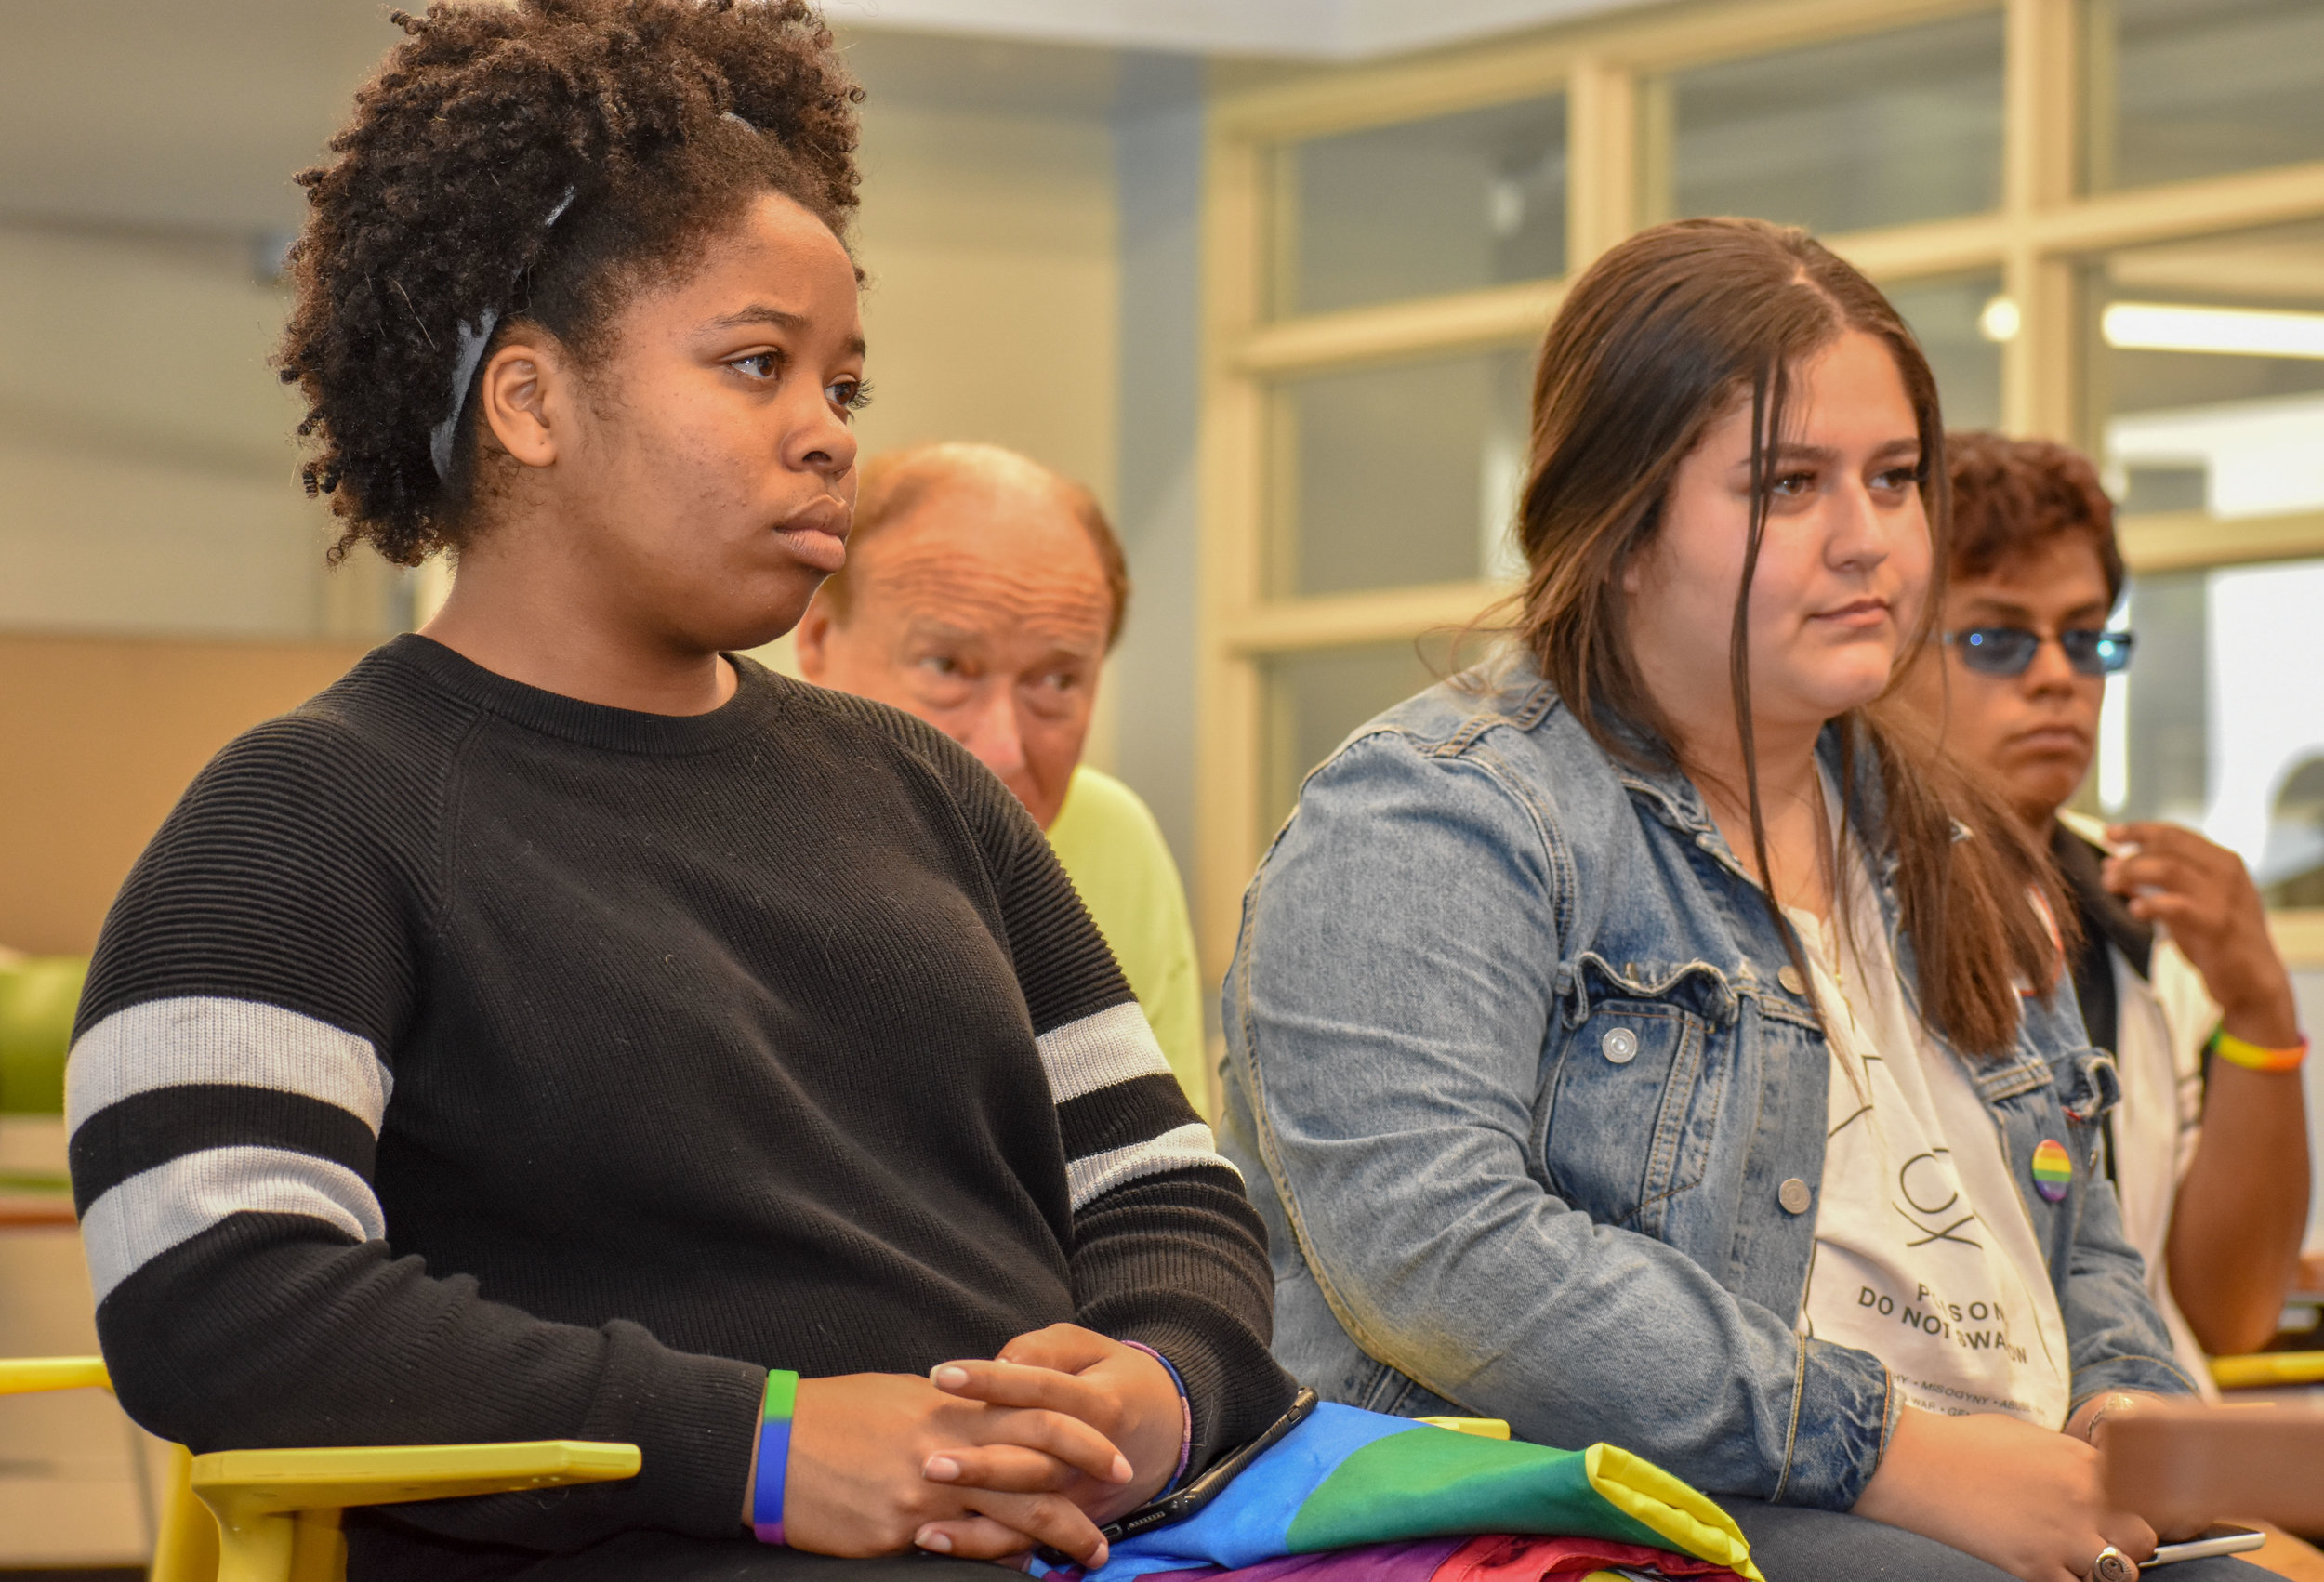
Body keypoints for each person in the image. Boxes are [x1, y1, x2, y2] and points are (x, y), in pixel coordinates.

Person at [62, 5, 1291, 1579]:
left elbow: (1163, 1187)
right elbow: (216, 1296)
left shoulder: (931, 796)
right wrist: (759, 1446)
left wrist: (1153, 1385)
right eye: (756, 365)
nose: (828, 438)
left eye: (844, 385)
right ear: (530, 403)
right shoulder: (303, 816)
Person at [1218, 217, 2254, 1582]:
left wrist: (2121, 1416)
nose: (1866, 539)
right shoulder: (1436, 813)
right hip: (1622, 1511)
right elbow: (1441, 1251)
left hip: (1999, 1493)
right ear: (1622, 522)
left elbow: (2081, 1235)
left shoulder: (1961, 839)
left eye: (1894, 479)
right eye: (1786, 485)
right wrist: (1905, 1455)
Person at [1900, 431, 2310, 1377]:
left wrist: (2259, 1013)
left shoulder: (2142, 923)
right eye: (1996, 638)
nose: (2057, 677)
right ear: (1880, 652)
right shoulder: (1826, 907)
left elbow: (2229, 1312)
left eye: (2085, 639)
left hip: (2149, 1453)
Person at [793, 443, 1208, 1109]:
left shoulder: (1113, 836)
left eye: (1055, 681)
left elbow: (1160, 1169)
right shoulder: (708, 832)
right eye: (948, 668)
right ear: (816, 639)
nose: (1004, 750)